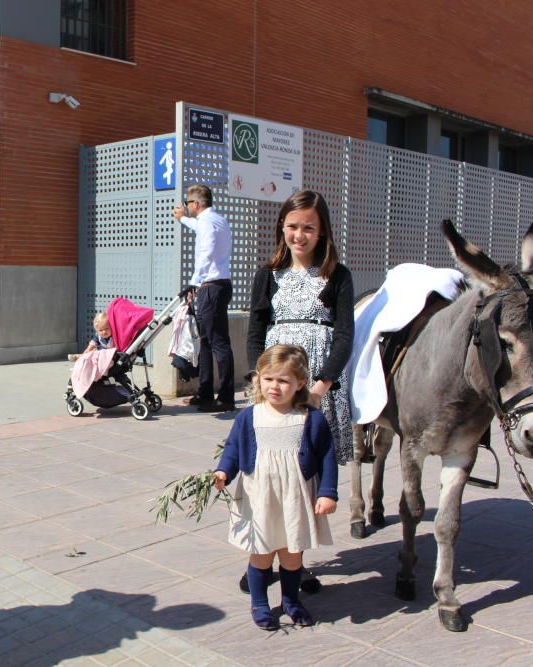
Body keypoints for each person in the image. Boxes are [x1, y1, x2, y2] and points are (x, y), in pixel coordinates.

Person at [243, 189, 354, 595]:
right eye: (292, 226)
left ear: (322, 230)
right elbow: (255, 331)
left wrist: (321, 385)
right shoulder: (266, 275)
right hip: (272, 388)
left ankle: (295, 562)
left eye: (308, 227)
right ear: (281, 228)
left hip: (316, 391)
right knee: (267, 472)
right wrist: (258, 378)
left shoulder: (337, 275)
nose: (299, 235)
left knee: (303, 476)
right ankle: (259, 556)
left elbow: (345, 336)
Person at [213, 344, 337, 630]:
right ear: (259, 378)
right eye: (268, 379)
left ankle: (291, 601)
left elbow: (327, 457)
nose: (275, 386)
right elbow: (233, 448)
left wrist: (328, 493)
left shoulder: (311, 418)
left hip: (296, 495)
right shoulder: (250, 416)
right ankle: (259, 603)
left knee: (292, 556)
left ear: (300, 383)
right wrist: (223, 472)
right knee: (262, 552)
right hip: (261, 497)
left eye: (283, 381)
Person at [173, 184, 235, 412]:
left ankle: (225, 397)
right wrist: (183, 220)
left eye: (188, 203)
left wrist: (195, 281)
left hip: (211, 286)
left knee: (217, 342)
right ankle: (206, 392)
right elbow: (198, 227)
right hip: (219, 285)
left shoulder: (208, 222)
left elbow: (206, 251)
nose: (186, 207)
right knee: (207, 342)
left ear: (196, 204)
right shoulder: (216, 220)